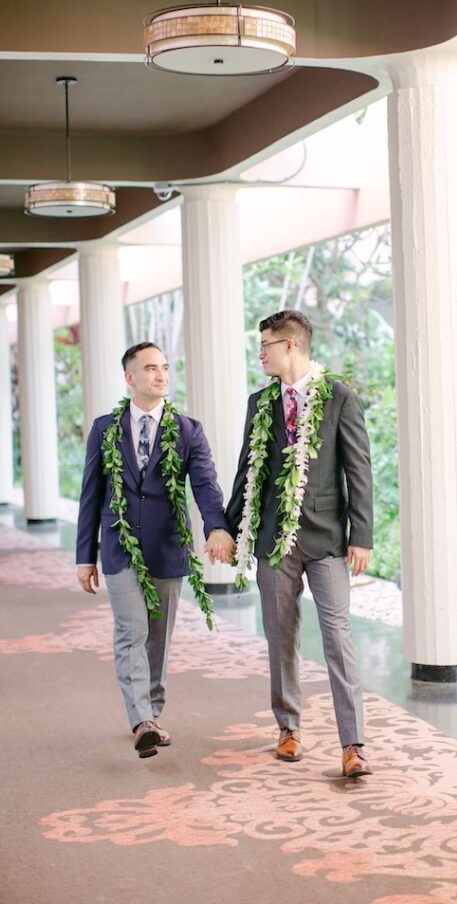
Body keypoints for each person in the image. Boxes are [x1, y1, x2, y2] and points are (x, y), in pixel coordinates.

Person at [223, 310, 374, 777]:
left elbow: (358, 469)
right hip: (274, 543)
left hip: (327, 538)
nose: (260, 353)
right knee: (281, 636)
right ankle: (288, 729)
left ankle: (353, 745)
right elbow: (248, 471)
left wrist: (361, 535)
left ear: (290, 345)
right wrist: (228, 528)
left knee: (337, 639)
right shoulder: (259, 402)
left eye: (265, 345)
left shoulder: (339, 397)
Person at [76, 342, 232, 758]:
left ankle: (153, 715)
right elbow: (91, 493)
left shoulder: (187, 430)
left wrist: (217, 527)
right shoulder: (104, 428)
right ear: (130, 377)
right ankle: (141, 718)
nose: (160, 375)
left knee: (157, 639)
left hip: (166, 546)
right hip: (119, 546)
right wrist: (83, 555)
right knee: (132, 630)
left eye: (164, 367)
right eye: (150, 369)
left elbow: (205, 484)